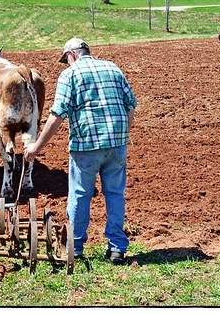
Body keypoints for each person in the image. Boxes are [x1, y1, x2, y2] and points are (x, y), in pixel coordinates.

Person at [24, 38, 137, 266]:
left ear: (72, 55)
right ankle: (117, 249)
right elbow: (130, 105)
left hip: (86, 146)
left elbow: (57, 115)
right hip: (117, 144)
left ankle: (74, 247)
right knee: (115, 194)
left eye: (66, 59)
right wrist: (123, 134)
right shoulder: (112, 67)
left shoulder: (70, 74)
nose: (66, 63)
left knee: (80, 195)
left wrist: (36, 148)